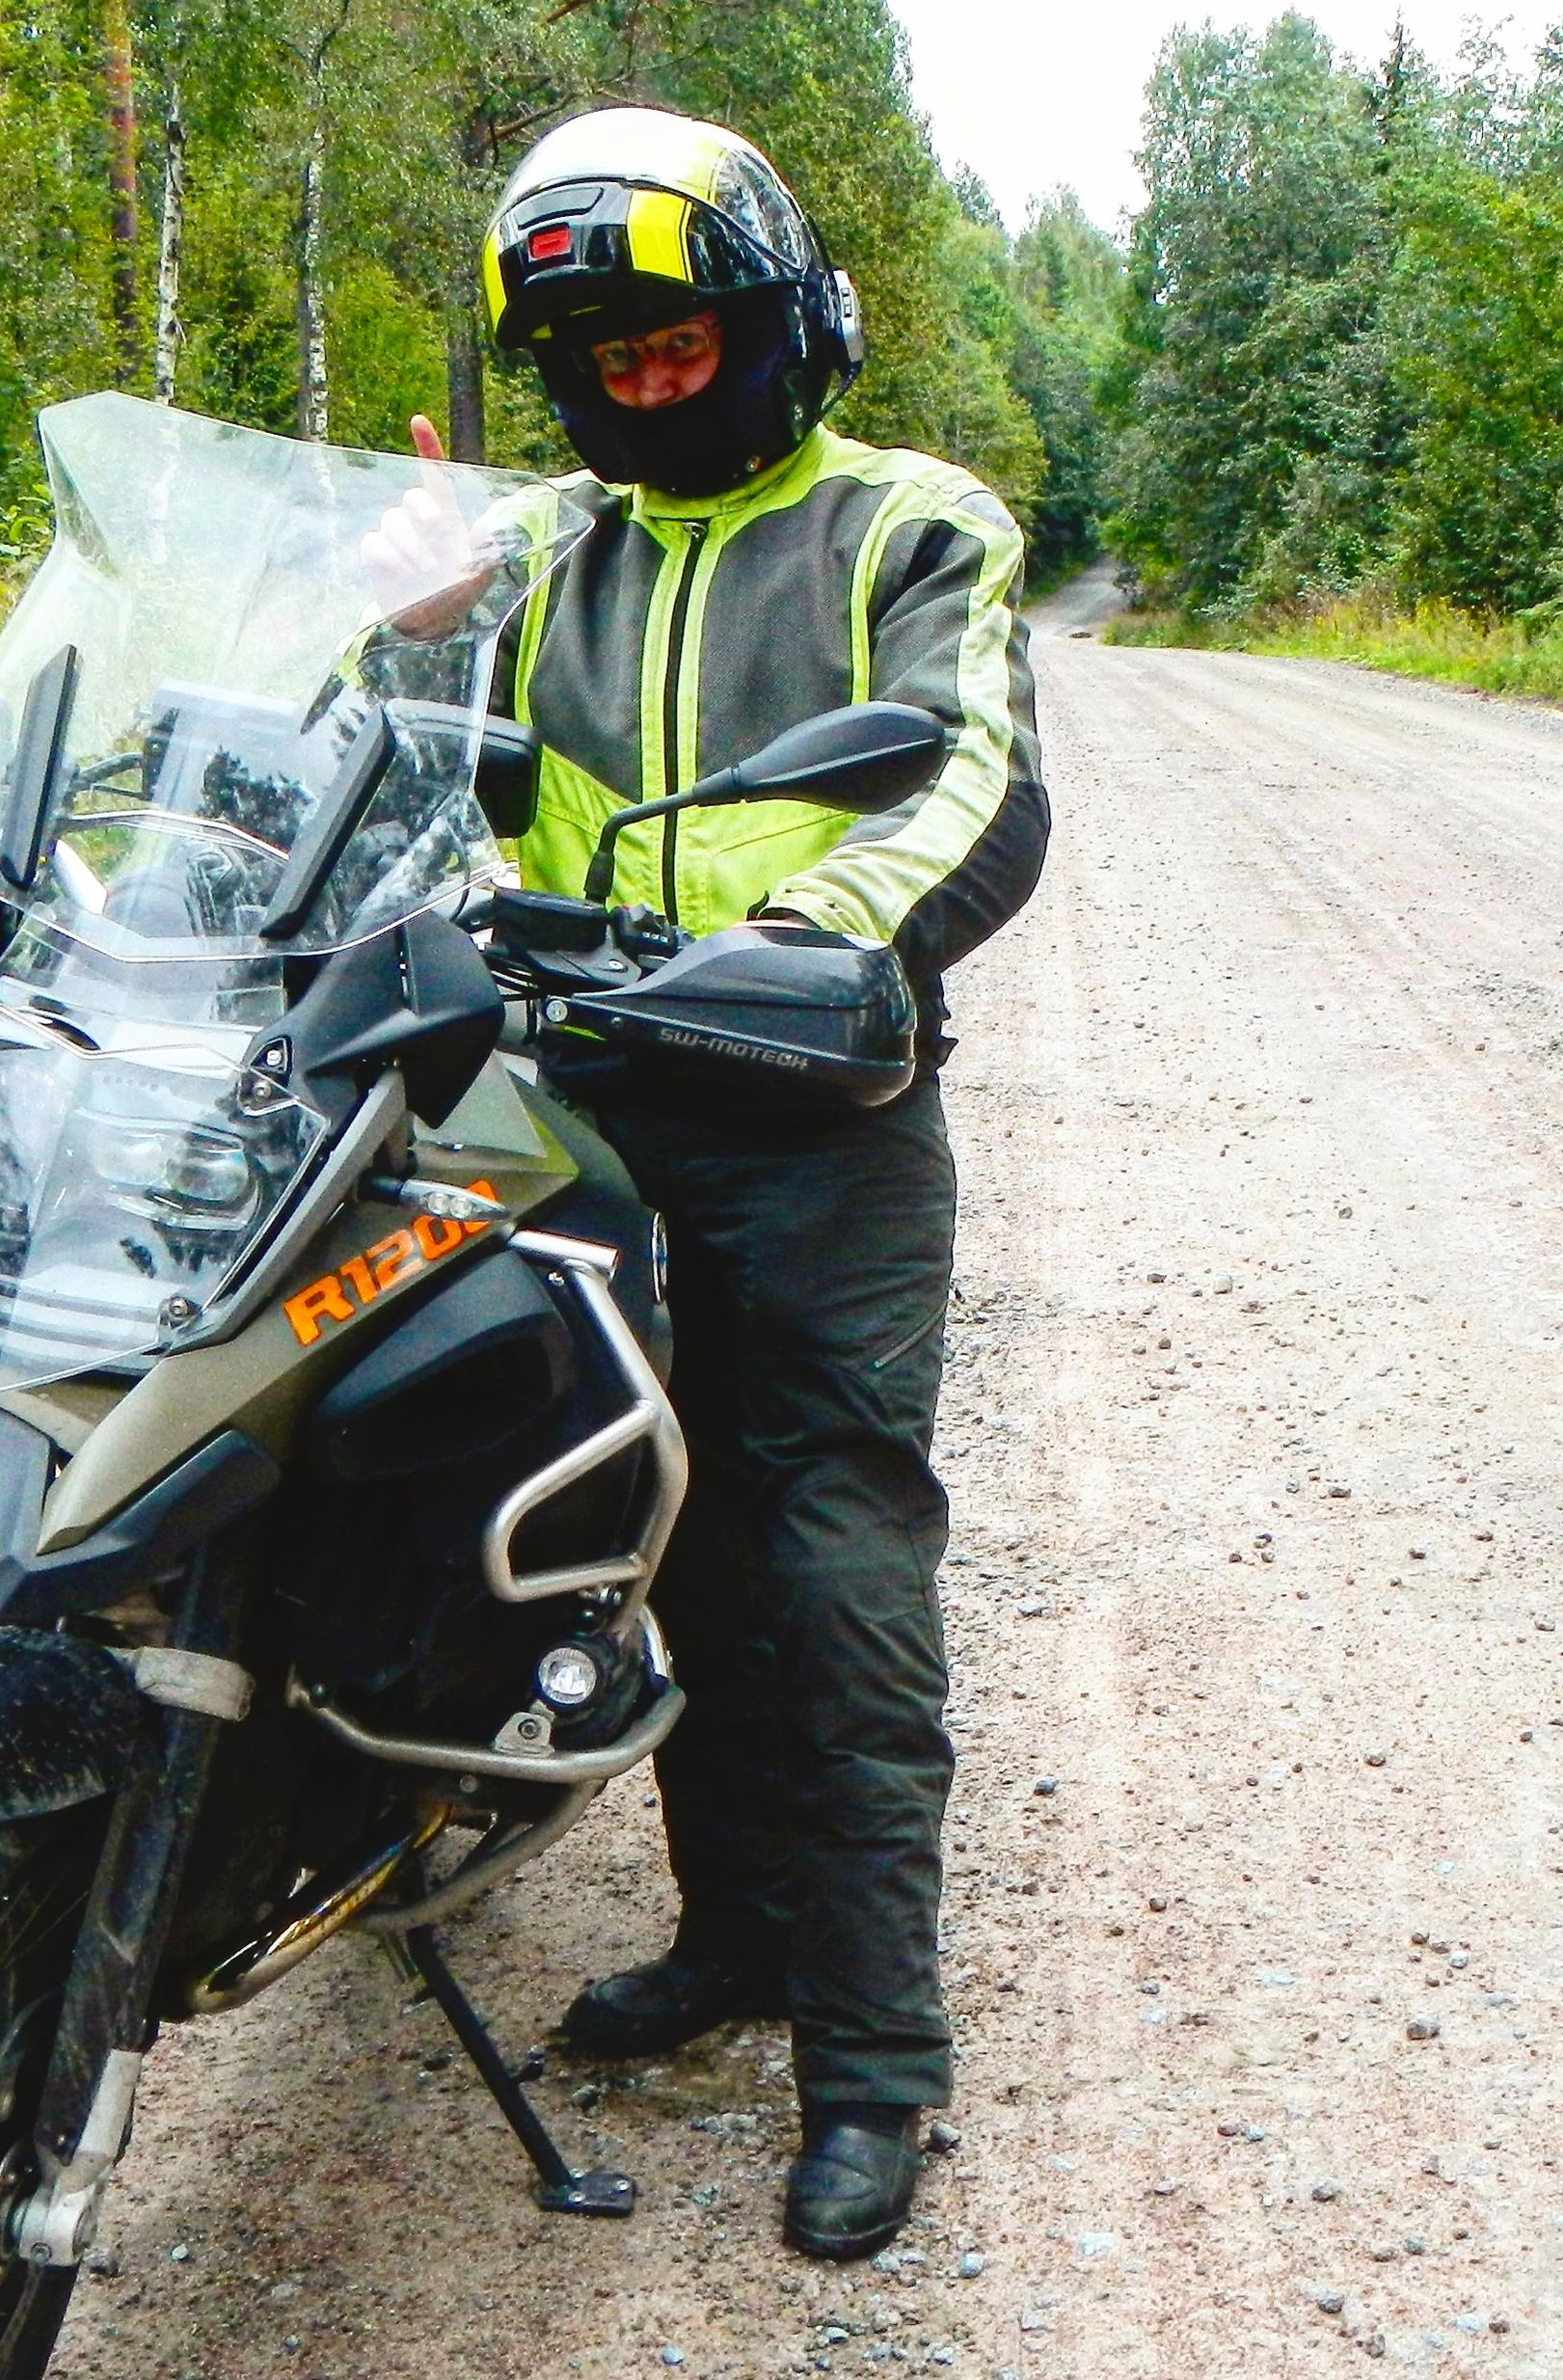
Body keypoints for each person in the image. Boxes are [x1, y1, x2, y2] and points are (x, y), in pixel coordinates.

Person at [365, 106, 1047, 2260]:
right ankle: (735, 1932)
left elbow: (967, 774)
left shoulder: (904, 523)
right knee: (638, 1535)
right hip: (571, 1099)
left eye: (679, 341)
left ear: (774, 327)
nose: (647, 380)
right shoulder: (544, 552)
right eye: (606, 357)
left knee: (828, 1559)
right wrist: (407, 624)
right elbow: (387, 770)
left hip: (812, 1104)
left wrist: (809, 943)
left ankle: (874, 2057)